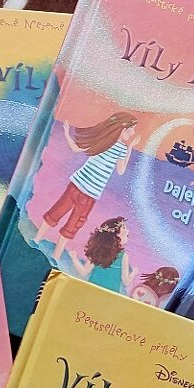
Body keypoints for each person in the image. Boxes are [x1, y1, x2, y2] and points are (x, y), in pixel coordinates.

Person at [35, 112, 138, 260]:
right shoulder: (114, 145)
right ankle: (52, 252)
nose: (133, 133)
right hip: (86, 190)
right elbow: (120, 171)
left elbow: (76, 149)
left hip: (82, 187)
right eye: (131, 129)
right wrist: (130, 149)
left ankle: (43, 245)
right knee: (68, 220)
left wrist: (66, 133)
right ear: (123, 128)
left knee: (63, 216)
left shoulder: (110, 143)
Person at [69, 217, 136, 294]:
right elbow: (126, 282)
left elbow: (84, 272)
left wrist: (74, 258)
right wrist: (134, 272)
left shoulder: (98, 251)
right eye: (124, 228)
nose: (128, 231)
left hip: (91, 291)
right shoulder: (123, 256)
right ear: (116, 234)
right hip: (110, 295)